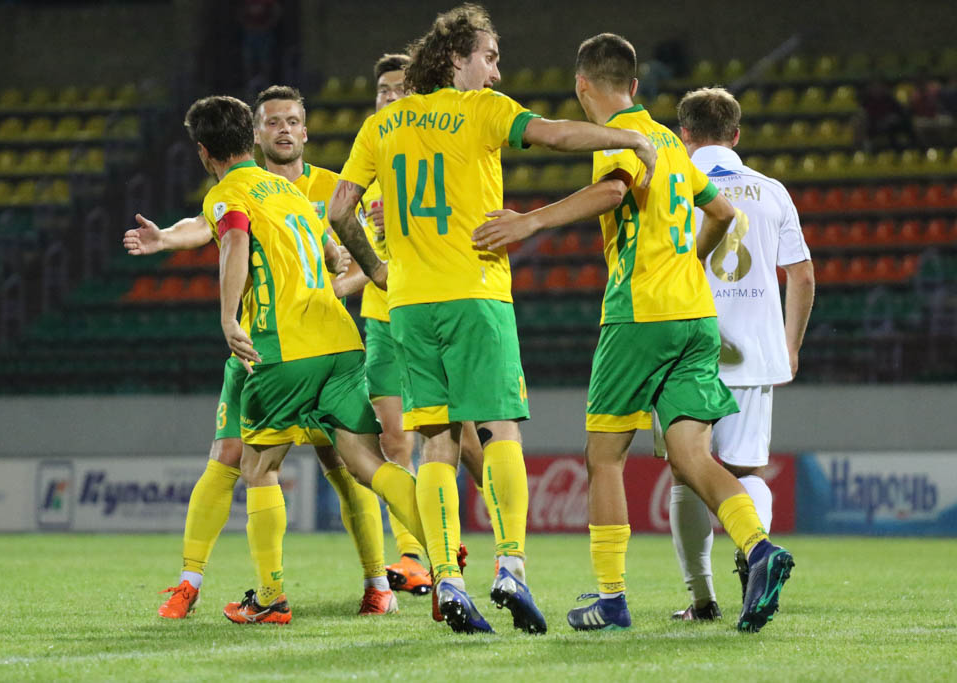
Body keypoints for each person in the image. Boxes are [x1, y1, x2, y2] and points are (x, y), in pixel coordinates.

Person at [327, 4, 657, 635]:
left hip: (410, 305)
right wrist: (628, 139)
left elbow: (341, 210)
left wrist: (377, 270)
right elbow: (555, 134)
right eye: (490, 57)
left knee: (437, 442)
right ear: (457, 58)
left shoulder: (382, 124)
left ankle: (448, 580)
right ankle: (510, 566)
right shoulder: (482, 109)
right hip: (475, 292)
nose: (497, 72)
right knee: (500, 429)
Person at [471, 33, 794, 634]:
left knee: (604, 456)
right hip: (695, 316)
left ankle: (612, 598)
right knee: (692, 456)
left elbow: (614, 189)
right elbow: (723, 213)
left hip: (639, 314)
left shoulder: (617, 137)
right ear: (636, 85)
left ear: (581, 86)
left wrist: (529, 222)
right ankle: (759, 549)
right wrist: (689, 262)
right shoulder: (668, 139)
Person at [126, 87, 399, 620]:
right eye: (273, 121)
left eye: (292, 121)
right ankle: (189, 582)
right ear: (254, 134)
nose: (283, 129)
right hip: (257, 349)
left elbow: (363, 260)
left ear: (305, 131)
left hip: (307, 345)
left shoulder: (332, 188)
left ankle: (372, 582)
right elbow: (207, 224)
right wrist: (167, 239)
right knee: (227, 456)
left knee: (341, 466)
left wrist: (324, 293)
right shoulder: (242, 188)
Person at [329, 52, 484, 601]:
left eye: (400, 89)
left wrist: (392, 234)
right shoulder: (366, 167)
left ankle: (501, 532)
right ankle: (416, 556)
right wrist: (349, 276)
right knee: (395, 437)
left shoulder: (432, 156)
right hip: (383, 322)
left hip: (435, 313)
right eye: (382, 91)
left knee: (466, 439)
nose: (390, 98)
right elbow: (358, 259)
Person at [657, 87, 814, 621]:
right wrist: (789, 346)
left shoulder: (675, 186)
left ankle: (702, 599)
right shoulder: (772, 191)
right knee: (746, 469)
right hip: (754, 351)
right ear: (736, 134)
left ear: (684, 134)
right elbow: (802, 276)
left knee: (686, 468)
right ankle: (755, 558)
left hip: (686, 345)